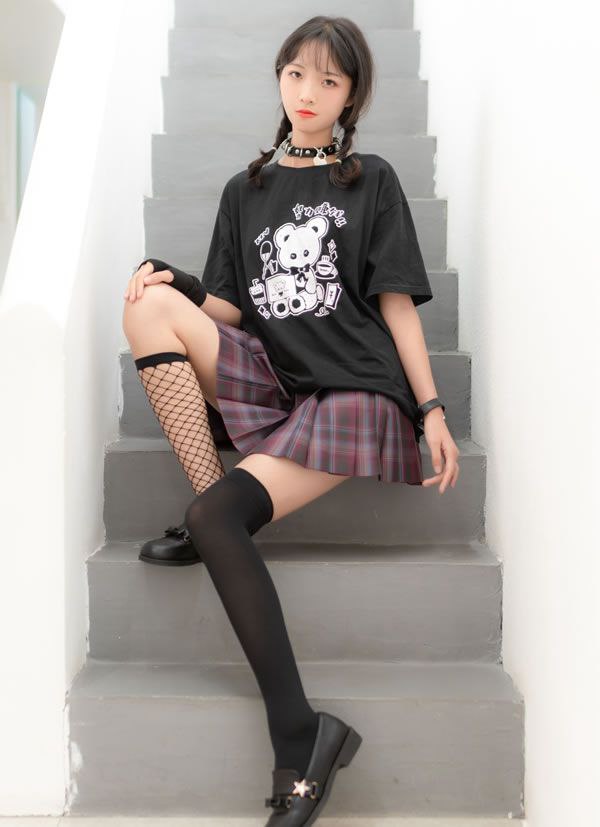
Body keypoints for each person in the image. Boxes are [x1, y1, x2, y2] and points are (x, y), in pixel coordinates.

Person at [122, 15, 460, 825]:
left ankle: (302, 736)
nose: (309, 92)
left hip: (353, 394)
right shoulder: (245, 191)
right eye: (297, 73)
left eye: (329, 81)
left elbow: (394, 306)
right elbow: (231, 311)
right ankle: (210, 508)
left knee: (216, 519)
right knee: (146, 303)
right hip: (279, 381)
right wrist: (179, 281)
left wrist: (431, 408)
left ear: (351, 97)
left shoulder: (370, 179)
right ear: (280, 77)